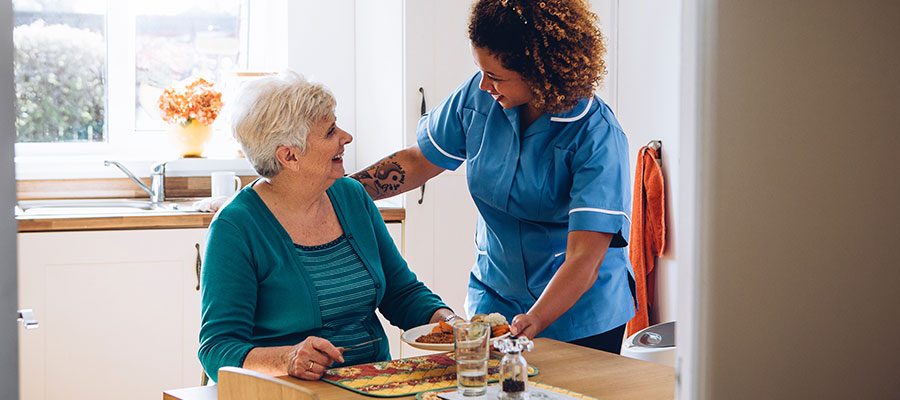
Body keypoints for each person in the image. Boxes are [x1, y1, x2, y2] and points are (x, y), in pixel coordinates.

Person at [351, 0, 635, 354]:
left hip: (579, 315)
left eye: (496, 77)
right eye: (481, 70)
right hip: (495, 300)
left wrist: (535, 319)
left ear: (541, 73)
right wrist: (342, 190)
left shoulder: (596, 136)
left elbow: (584, 257)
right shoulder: (480, 96)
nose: (484, 84)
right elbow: (418, 160)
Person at [198, 72, 458, 382]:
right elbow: (217, 348)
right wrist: (288, 359)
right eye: (330, 131)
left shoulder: (352, 196)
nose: (346, 137)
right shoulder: (236, 227)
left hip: (371, 383)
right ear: (289, 156)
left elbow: (401, 293)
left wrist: (450, 322)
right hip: (289, 390)